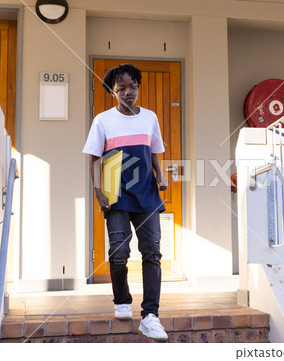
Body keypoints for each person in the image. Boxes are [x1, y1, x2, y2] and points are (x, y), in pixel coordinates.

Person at [82, 63, 168, 341]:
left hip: (146, 193)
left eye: (133, 87)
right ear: (112, 91)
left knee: (152, 253)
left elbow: (155, 151)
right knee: (118, 254)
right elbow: (94, 158)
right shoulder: (103, 120)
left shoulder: (150, 117)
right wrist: (98, 192)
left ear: (138, 87)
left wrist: (161, 175)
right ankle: (122, 301)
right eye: (122, 88)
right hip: (115, 194)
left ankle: (150, 315)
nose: (128, 92)